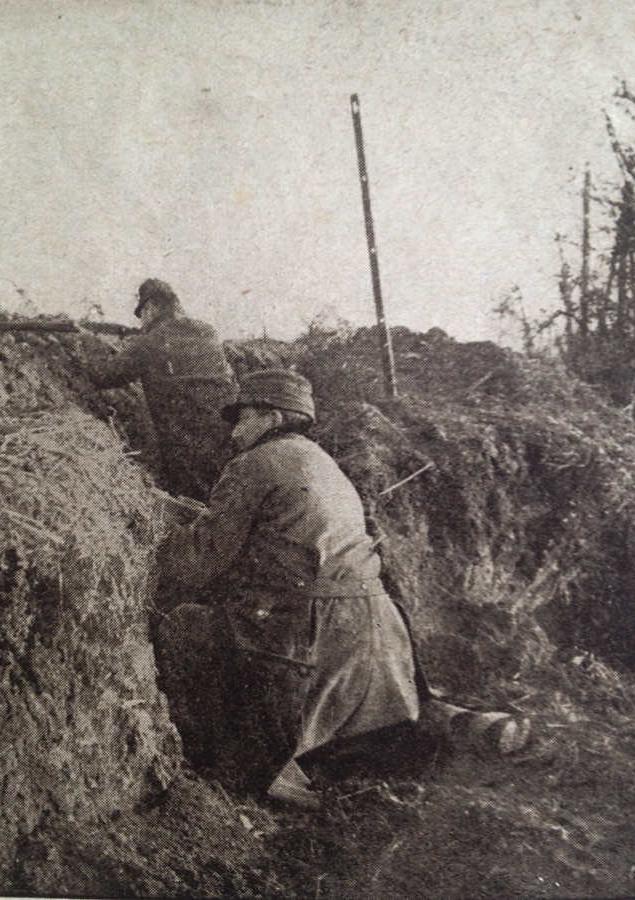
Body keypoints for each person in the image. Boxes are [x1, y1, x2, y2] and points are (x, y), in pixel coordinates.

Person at [152, 369, 530, 808]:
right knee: (395, 714)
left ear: (271, 418)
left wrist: (154, 532)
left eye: (243, 419)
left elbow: (200, 561)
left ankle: (251, 768)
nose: (235, 433)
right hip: (377, 626)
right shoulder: (322, 462)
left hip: (309, 630)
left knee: (184, 627)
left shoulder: (253, 463)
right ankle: (466, 724)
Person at [84, 279, 237, 501]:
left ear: (152, 307)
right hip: (227, 433)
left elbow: (103, 375)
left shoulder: (151, 342)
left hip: (187, 446)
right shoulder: (207, 332)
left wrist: (90, 341)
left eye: (142, 312)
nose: (142, 321)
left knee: (193, 505)